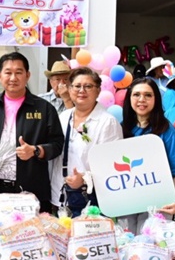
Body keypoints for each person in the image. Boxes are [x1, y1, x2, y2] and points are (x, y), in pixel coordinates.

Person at [0, 52, 63, 207]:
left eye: (19, 72)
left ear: (27, 75)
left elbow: (57, 144)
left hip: (30, 190)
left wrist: (36, 150)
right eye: (8, 72)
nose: (13, 78)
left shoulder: (44, 108)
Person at [50, 67, 123, 216]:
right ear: (69, 89)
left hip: (90, 200)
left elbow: (112, 166)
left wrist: (84, 179)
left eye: (88, 86)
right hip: (59, 197)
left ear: (98, 90)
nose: (81, 90)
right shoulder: (63, 117)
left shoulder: (107, 122)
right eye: (77, 86)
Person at [119, 78, 175, 233]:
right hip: (126, 202)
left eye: (148, 95)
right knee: (126, 245)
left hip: (158, 203)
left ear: (156, 99)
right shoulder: (121, 128)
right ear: (129, 98)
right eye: (136, 94)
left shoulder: (166, 130)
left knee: (150, 250)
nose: (142, 99)